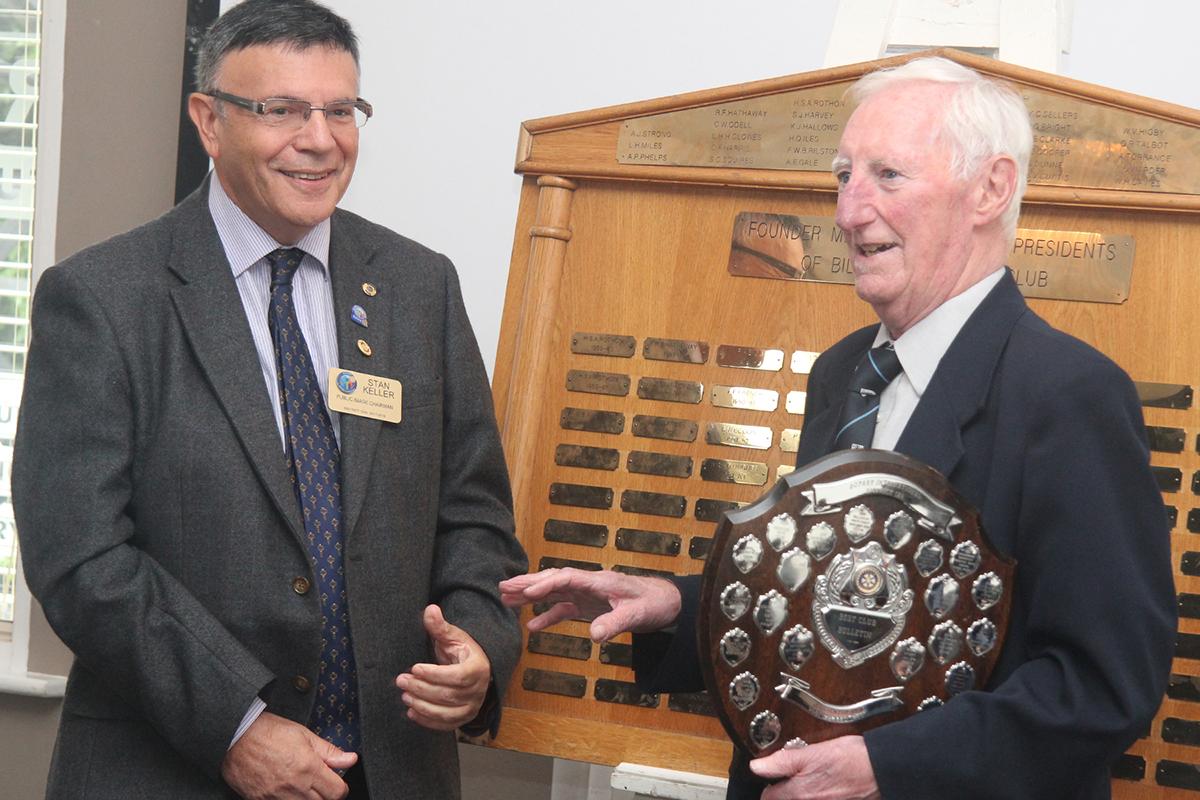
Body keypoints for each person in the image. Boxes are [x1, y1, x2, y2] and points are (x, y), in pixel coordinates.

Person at [501, 56, 1176, 799]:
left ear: (991, 189)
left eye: (888, 176)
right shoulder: (843, 372)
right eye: (843, 176)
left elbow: (1105, 687)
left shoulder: (1070, 395)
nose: (851, 212)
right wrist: (672, 606)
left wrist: (887, 769)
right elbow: (836, 604)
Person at [13, 1, 526, 797]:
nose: (319, 138)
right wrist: (236, 726)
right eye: (281, 109)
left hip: (389, 770)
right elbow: (81, 559)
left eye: (340, 110)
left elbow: (475, 518)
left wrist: (480, 648)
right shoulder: (105, 298)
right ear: (209, 121)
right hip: (171, 768)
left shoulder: (419, 287)